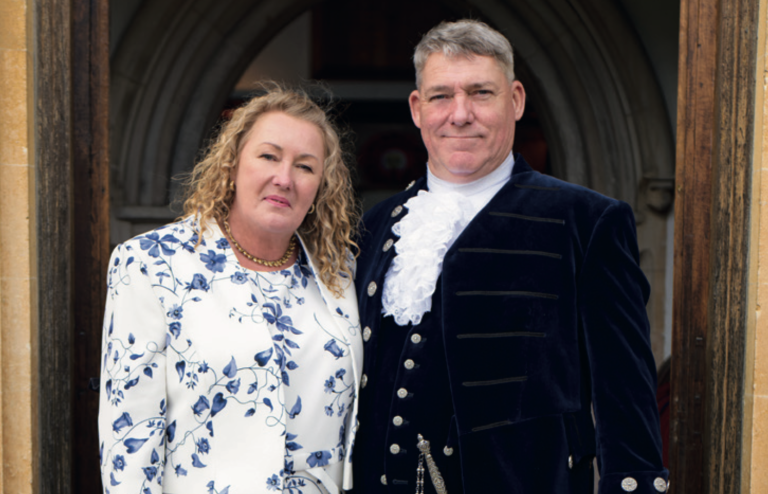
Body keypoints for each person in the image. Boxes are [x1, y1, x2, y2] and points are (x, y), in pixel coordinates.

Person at [352, 19, 669, 494]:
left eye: (481, 93)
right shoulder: (376, 225)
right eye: (441, 96)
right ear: (418, 109)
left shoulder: (585, 221)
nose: (460, 114)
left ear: (516, 100)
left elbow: (624, 391)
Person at [98, 86, 362, 494]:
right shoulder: (150, 263)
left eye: (305, 166)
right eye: (268, 156)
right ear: (232, 163)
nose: (284, 178)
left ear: (321, 185)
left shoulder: (338, 272)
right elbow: (129, 437)